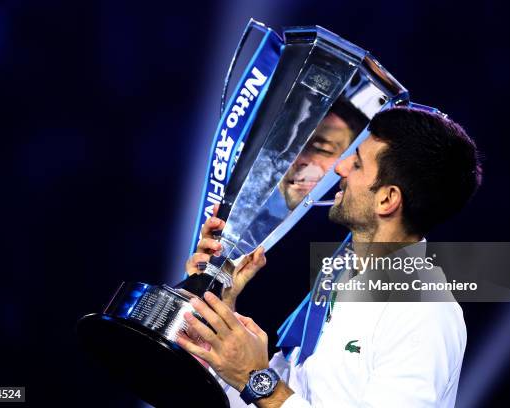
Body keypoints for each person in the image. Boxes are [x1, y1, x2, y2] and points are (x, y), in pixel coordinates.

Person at [179, 106, 482, 407]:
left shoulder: (424, 315)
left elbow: (266, 392)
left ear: (387, 199)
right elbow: (267, 399)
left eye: (358, 164)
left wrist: (256, 378)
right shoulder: (341, 278)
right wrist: (217, 312)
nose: (340, 167)